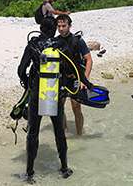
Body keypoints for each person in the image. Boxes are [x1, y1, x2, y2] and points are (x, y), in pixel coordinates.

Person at [17, 17, 73, 183]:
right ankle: (64, 168)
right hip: (55, 94)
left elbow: (21, 69)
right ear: (55, 28)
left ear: (40, 28)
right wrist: (86, 84)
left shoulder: (33, 45)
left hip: (36, 93)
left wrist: (27, 82)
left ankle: (29, 173)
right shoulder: (61, 45)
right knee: (59, 133)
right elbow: (73, 68)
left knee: (33, 132)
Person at [56, 14, 93, 138]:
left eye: (64, 26)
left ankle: (79, 134)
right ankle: (65, 130)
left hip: (76, 79)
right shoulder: (56, 42)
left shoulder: (78, 41)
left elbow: (89, 60)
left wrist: (85, 79)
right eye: (59, 26)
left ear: (70, 26)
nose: (61, 29)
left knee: (76, 108)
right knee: (59, 108)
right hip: (62, 79)